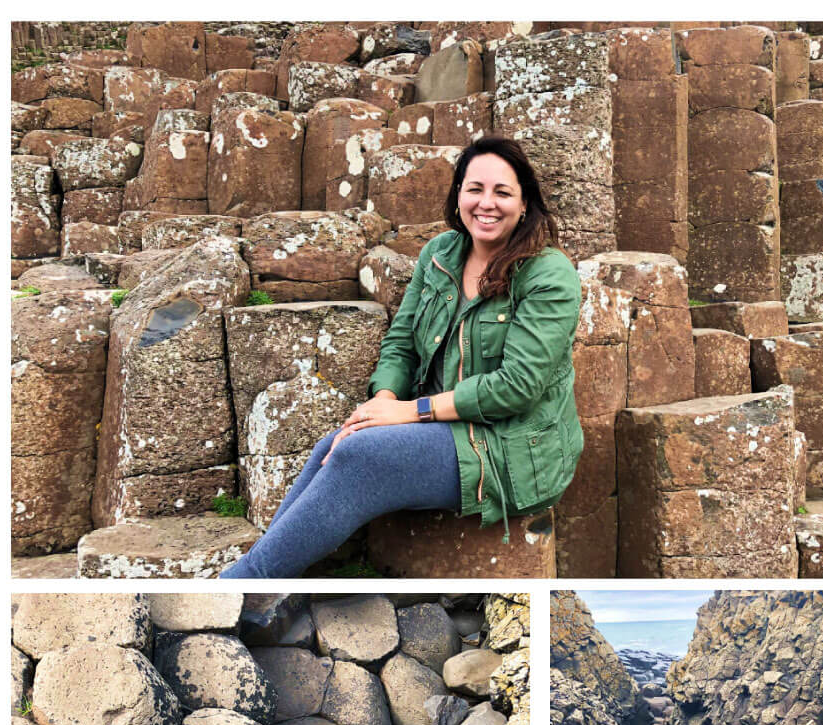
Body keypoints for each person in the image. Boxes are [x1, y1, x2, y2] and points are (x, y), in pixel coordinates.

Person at [221, 135, 584, 578]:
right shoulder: (440, 255)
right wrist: (385, 398)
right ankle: (258, 591)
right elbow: (401, 343)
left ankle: (239, 585)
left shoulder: (549, 275)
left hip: (509, 444)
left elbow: (517, 388)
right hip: (448, 425)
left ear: (525, 203)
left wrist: (410, 412)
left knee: (361, 457)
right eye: (475, 189)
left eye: (502, 192)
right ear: (458, 194)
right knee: (331, 448)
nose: (486, 203)